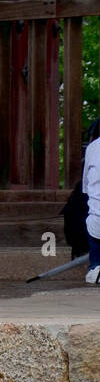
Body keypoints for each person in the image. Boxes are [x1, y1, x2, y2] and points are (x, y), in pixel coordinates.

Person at [83, 120, 100, 285]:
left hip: (97, 218)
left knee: (92, 217)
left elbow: (86, 188)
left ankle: (96, 267)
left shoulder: (92, 148)